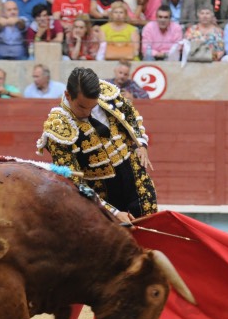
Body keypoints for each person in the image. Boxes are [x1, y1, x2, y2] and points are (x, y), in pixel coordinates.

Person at [37, 66, 155, 220]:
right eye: (81, 106)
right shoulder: (58, 127)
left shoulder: (106, 94)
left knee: (151, 232)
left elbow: (130, 114)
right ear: (68, 95)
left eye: (92, 107)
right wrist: (113, 212)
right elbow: (74, 182)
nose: (87, 113)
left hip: (136, 177)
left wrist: (141, 144)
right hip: (102, 194)